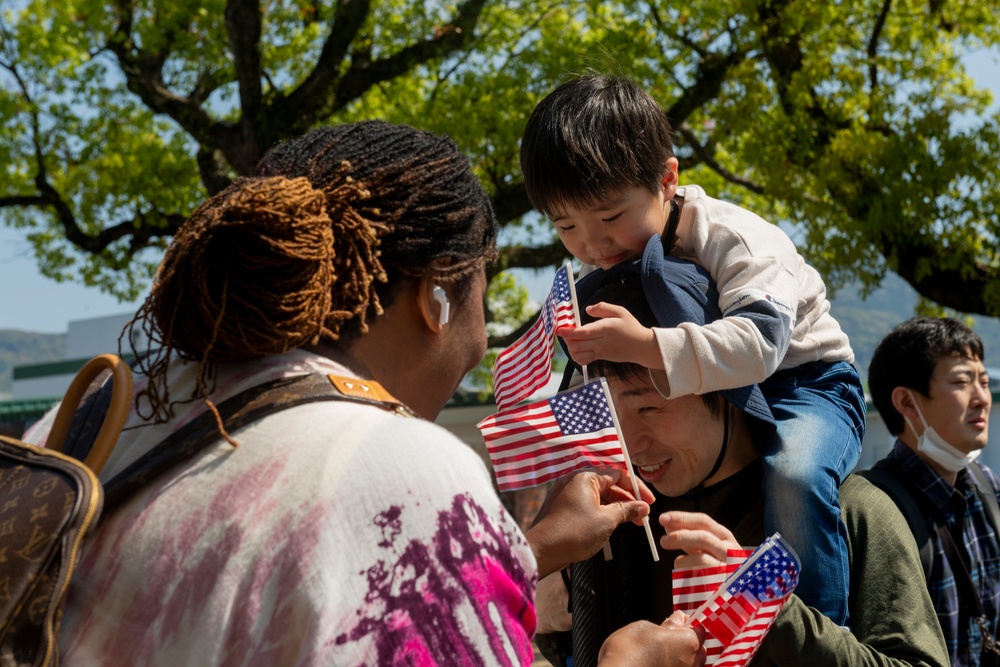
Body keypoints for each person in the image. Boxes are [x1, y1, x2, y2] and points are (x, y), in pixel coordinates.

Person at [23, 121, 704, 666]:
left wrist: (532, 548)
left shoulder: (93, 411)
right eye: (483, 286)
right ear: (436, 296)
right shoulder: (401, 469)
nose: (482, 335)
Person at [519, 73, 865, 625]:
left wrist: (649, 345)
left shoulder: (740, 239)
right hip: (720, 381)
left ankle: (815, 622)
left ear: (666, 180)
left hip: (805, 381)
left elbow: (760, 344)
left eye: (609, 216)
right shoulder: (608, 256)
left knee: (795, 476)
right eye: (566, 226)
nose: (593, 244)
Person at [533, 235, 948, 667]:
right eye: (612, 415)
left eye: (650, 407)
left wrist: (766, 602)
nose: (630, 442)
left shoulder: (845, 511)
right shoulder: (611, 530)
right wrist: (552, 620)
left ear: (726, 388)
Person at [867, 317, 1000, 666]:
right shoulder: (877, 508)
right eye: (961, 381)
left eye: (984, 382)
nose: (982, 398)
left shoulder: (987, 487)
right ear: (907, 404)